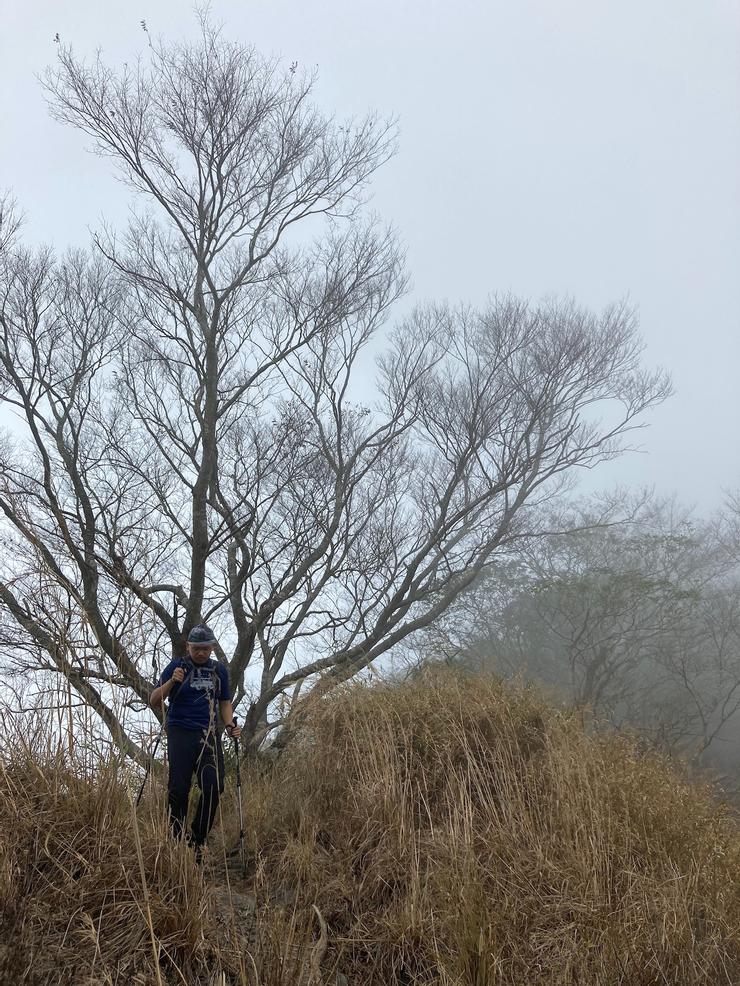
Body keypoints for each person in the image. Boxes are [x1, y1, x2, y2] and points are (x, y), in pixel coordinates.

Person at [149, 623, 241, 857]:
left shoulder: (219, 670)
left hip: (208, 734)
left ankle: (198, 839)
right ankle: (176, 839)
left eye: (206, 649)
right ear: (188, 646)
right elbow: (154, 700)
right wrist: (172, 682)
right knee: (178, 789)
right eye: (196, 648)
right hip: (180, 732)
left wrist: (230, 725)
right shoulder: (177, 666)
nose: (201, 653)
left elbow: (224, 702)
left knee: (214, 786)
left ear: (211, 648)